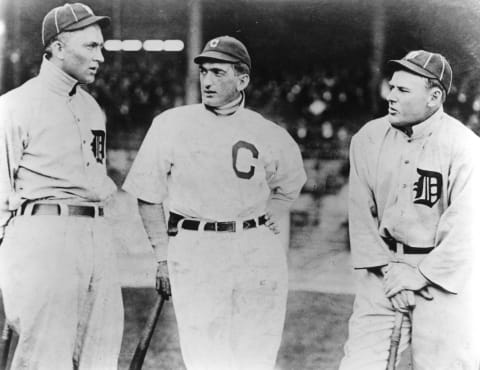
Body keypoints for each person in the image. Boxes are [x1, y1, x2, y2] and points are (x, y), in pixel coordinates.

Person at [123, 35, 306, 370]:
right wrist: (162, 257)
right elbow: (147, 196)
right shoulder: (171, 124)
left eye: (218, 73)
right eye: (204, 72)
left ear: (243, 79)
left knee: (257, 355)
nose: (207, 81)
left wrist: (274, 213)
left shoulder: (269, 133)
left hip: (254, 247)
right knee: (206, 357)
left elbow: (290, 185)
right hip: (196, 245)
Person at [0, 3, 124, 369]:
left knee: (100, 352)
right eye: (90, 46)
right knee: (45, 355)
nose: (100, 57)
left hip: (96, 233)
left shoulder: (92, 108)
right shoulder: (15, 106)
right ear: (55, 47)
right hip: (43, 232)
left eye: (101, 47)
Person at [340, 50, 480, 370]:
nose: (391, 96)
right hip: (384, 272)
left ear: (434, 97)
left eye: (403, 91)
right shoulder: (368, 138)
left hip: (443, 280)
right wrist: (394, 275)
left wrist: (418, 276)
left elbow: (467, 232)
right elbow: (361, 216)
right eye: (392, 87)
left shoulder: (465, 146)